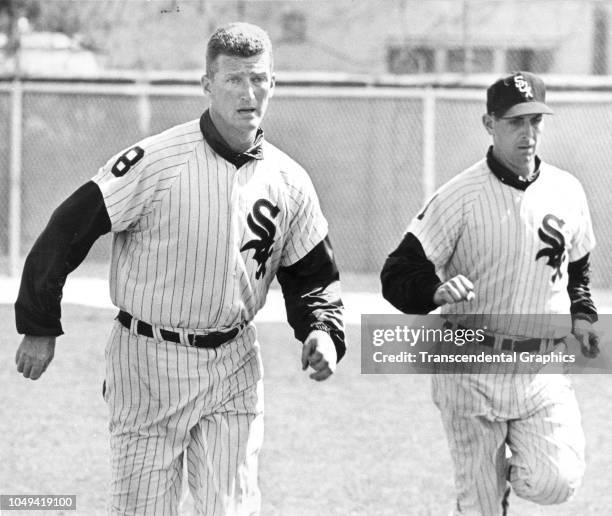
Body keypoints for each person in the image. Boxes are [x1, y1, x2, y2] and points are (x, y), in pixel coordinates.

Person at [14, 22, 345, 515]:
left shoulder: (290, 181)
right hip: (147, 361)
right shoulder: (156, 161)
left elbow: (314, 275)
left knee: (231, 508)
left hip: (233, 361)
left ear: (273, 83)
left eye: (258, 79)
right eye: (233, 79)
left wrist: (322, 331)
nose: (248, 92)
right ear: (207, 83)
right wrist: (39, 325)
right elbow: (67, 229)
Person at [381, 71, 599, 515]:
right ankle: (486, 491)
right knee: (479, 507)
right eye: (516, 122)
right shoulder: (458, 197)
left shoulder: (567, 190)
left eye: (536, 120)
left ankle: (501, 478)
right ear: (489, 123)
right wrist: (435, 290)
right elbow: (397, 272)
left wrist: (583, 314)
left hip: (540, 366)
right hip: (469, 367)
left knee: (556, 481)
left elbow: (578, 265)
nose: (529, 132)